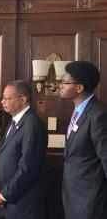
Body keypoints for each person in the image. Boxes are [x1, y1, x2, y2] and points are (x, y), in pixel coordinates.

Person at [0, 80, 48, 219]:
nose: (2, 102)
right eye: (3, 97)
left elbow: (27, 168)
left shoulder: (32, 124)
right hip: (9, 201)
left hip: (24, 204)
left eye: (7, 98)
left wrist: (4, 196)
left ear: (22, 100)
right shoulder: (14, 121)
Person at [59, 61, 107, 219]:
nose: (60, 85)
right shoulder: (78, 112)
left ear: (79, 88)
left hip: (90, 200)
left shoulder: (98, 115)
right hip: (73, 195)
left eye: (64, 82)